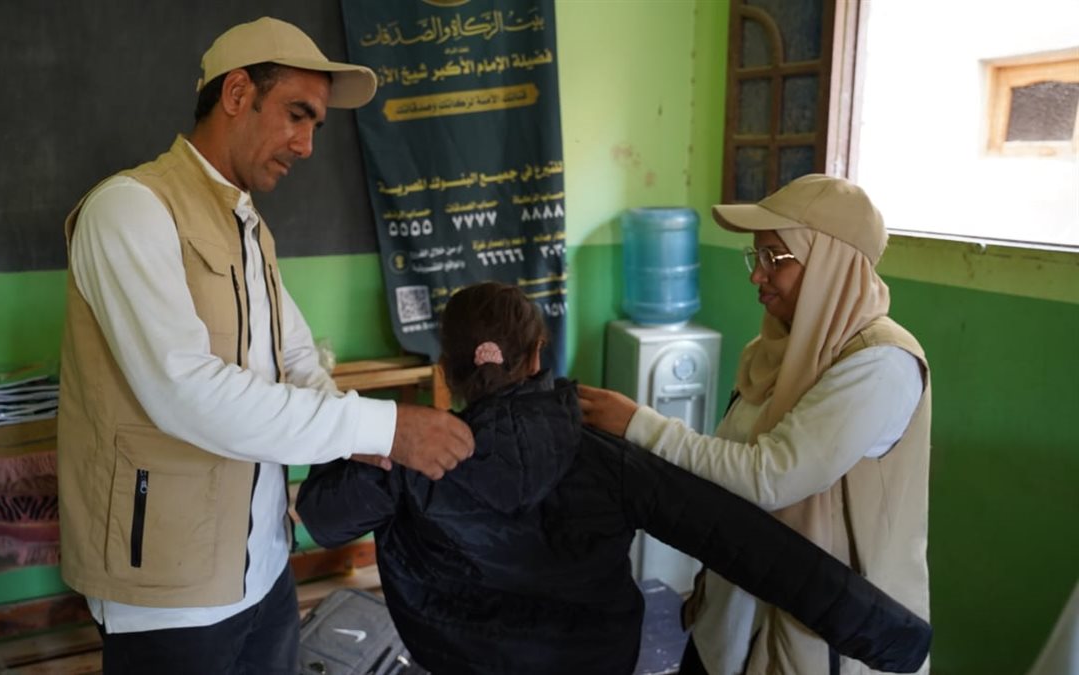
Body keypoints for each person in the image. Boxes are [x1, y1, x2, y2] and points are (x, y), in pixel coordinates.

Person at [56, 17, 474, 674]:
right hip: (170, 594)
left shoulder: (248, 224)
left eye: (316, 126)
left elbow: (296, 358)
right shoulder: (130, 209)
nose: (306, 145)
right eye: (296, 115)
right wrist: (385, 427)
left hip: (266, 569)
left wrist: (361, 436)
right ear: (237, 93)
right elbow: (184, 392)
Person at [296, 281, 931, 675]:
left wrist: (371, 439)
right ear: (538, 355)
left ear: (447, 370)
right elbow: (735, 537)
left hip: (461, 661)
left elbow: (323, 519)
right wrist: (891, 636)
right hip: (593, 661)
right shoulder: (602, 451)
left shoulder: (409, 460)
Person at [579, 174, 932, 675]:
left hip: (817, 638)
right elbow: (728, 474)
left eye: (775, 258)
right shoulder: (773, 352)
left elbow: (772, 476)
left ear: (830, 264)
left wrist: (639, 425)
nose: (757, 276)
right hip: (728, 619)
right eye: (757, 256)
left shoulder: (880, 364)